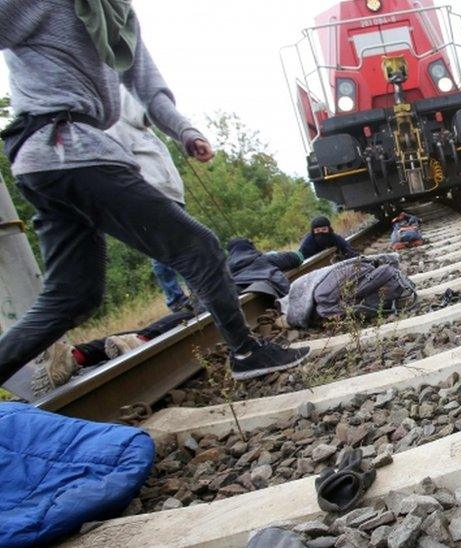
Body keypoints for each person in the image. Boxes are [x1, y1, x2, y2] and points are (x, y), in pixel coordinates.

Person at [0, 0, 308, 386]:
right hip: (68, 149)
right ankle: (246, 353)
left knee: (74, 294)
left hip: (52, 161)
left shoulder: (117, 14)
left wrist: (184, 130)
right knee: (199, 247)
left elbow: (145, 85)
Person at [106, 86, 194, 313]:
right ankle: (176, 299)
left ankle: (198, 292)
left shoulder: (148, 134)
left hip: (172, 194)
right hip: (151, 197)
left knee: (188, 245)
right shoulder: (117, 130)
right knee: (163, 250)